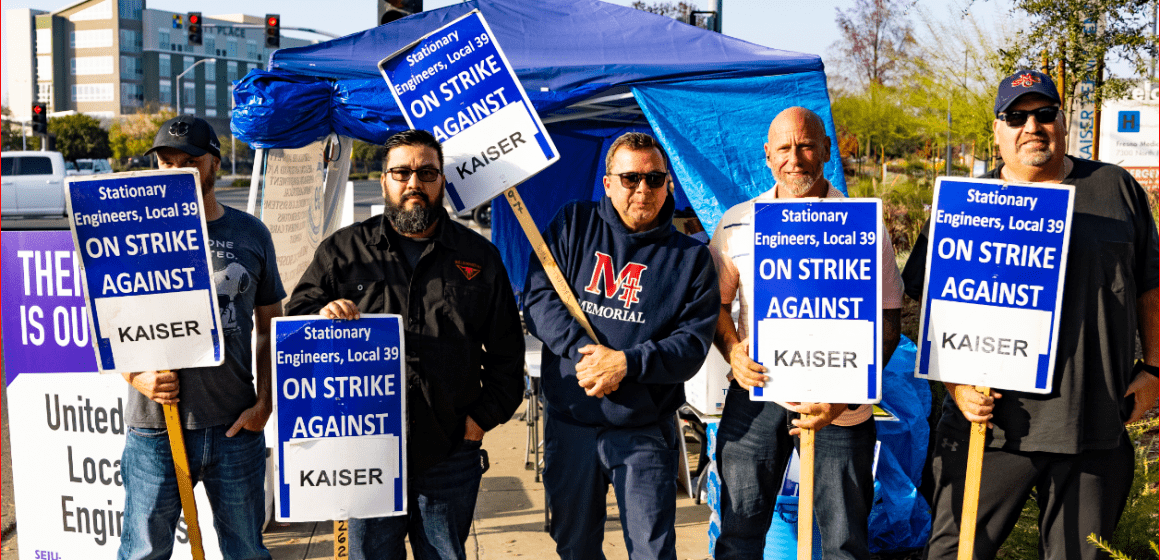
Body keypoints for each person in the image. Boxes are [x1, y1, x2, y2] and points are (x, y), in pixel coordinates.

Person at [902, 70, 1159, 560]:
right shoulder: (963, 205)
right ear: (996, 131)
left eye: (1044, 114)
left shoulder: (1114, 188)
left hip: (1093, 424)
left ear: (1062, 122)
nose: (1032, 127)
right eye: (1016, 116)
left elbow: (1152, 286)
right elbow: (920, 307)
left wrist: (1155, 372)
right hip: (992, 428)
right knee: (954, 554)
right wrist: (954, 386)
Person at [285, 129, 525, 560]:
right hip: (363, 450)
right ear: (383, 181)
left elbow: (508, 355)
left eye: (427, 172)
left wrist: (478, 423)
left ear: (441, 180)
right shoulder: (344, 251)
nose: (414, 182)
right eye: (402, 172)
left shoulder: (479, 257)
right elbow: (295, 322)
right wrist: (321, 314)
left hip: (449, 453)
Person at [710, 107, 903, 560]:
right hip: (757, 396)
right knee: (738, 532)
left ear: (827, 151)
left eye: (806, 145)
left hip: (841, 404)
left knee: (844, 543)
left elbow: (889, 321)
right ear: (767, 155)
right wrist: (734, 352)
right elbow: (716, 305)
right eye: (783, 147)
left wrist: (847, 396)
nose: (794, 157)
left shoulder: (864, 225)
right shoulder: (737, 221)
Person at [523, 132, 719, 560]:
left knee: (652, 550)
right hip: (570, 422)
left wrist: (626, 364)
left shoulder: (692, 259)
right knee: (574, 545)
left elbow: (691, 345)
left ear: (668, 184)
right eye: (630, 178)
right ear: (608, 183)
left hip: (643, 429)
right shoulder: (572, 223)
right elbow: (538, 299)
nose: (642, 189)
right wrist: (586, 355)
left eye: (654, 178)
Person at [119, 115, 286, 560]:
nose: (175, 172)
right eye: (165, 162)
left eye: (188, 161)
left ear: (214, 163)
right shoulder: (134, 232)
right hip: (155, 429)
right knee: (143, 553)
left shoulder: (251, 234)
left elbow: (271, 325)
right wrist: (136, 376)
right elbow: (108, 322)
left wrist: (265, 403)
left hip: (234, 426)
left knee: (247, 551)